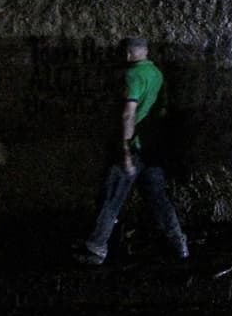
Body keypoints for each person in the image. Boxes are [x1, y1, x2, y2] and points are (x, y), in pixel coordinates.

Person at [74, 37, 188, 266]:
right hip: (151, 151)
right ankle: (178, 245)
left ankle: (95, 249)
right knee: (159, 199)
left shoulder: (132, 75)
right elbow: (162, 110)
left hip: (133, 149)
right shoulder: (156, 73)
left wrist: (125, 150)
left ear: (127, 53)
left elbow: (128, 114)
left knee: (111, 199)